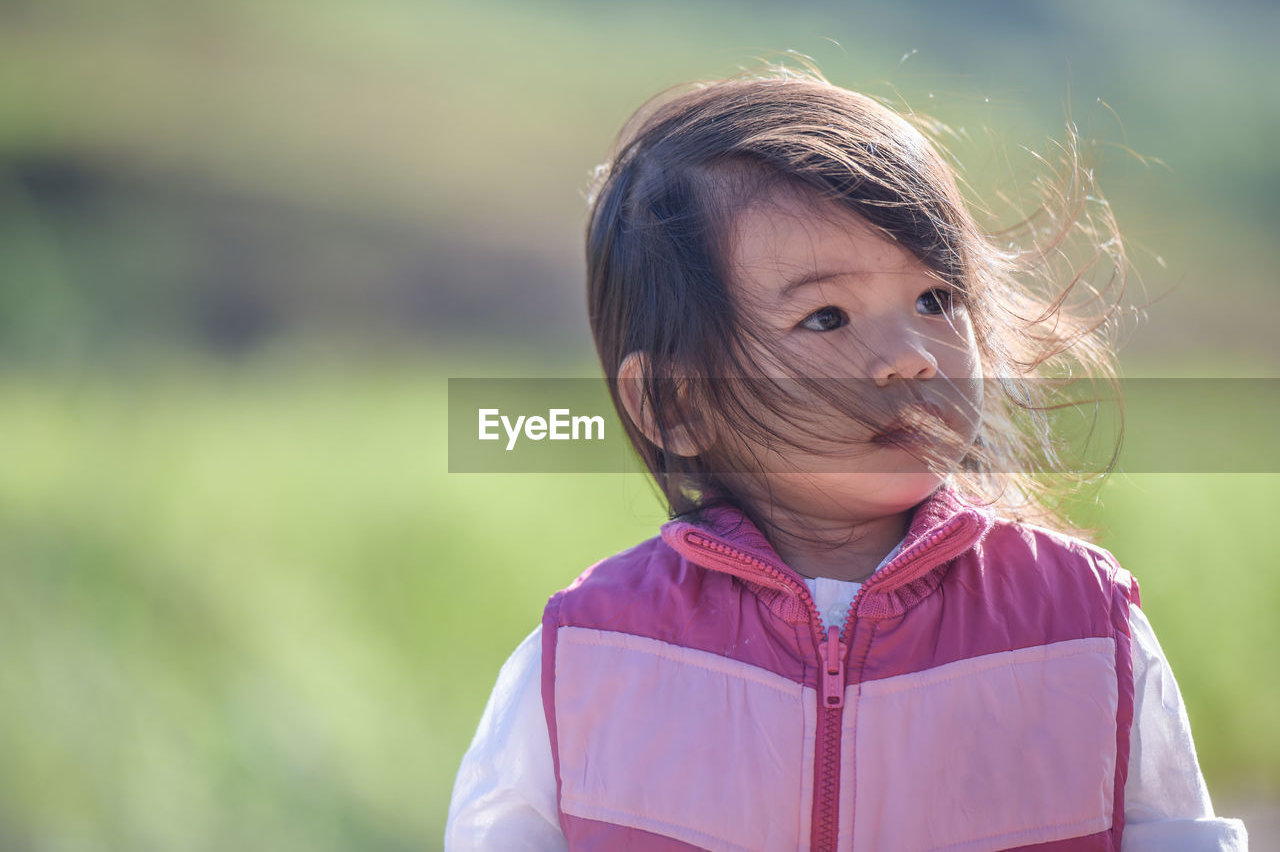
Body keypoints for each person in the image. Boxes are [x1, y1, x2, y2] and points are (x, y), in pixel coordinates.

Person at [445, 65, 1249, 851]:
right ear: (677, 403)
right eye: (827, 317)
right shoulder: (588, 656)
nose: (911, 358)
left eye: (937, 299)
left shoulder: (1083, 625)